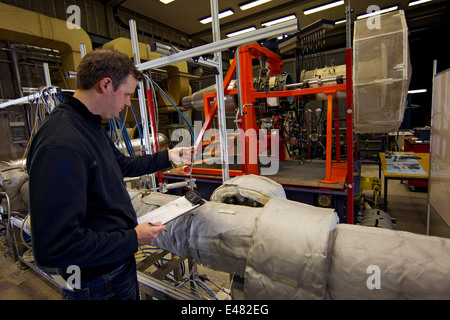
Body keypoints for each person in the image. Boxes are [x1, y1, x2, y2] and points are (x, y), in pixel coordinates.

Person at [26, 48, 193, 300]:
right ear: (105, 84)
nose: (128, 103)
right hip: (97, 280)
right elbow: (55, 247)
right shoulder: (61, 143)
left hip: (114, 266)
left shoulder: (88, 124)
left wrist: (168, 157)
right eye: (126, 94)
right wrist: (132, 238)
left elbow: (122, 165)